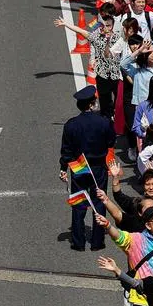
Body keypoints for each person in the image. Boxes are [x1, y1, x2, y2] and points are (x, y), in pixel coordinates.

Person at [60, 86, 114, 252]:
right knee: (99, 202)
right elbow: (111, 142)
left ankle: (78, 242)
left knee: (79, 204)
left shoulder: (71, 125)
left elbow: (66, 150)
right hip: (98, 167)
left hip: (79, 167)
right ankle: (97, 241)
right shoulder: (104, 122)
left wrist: (63, 168)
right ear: (92, 104)